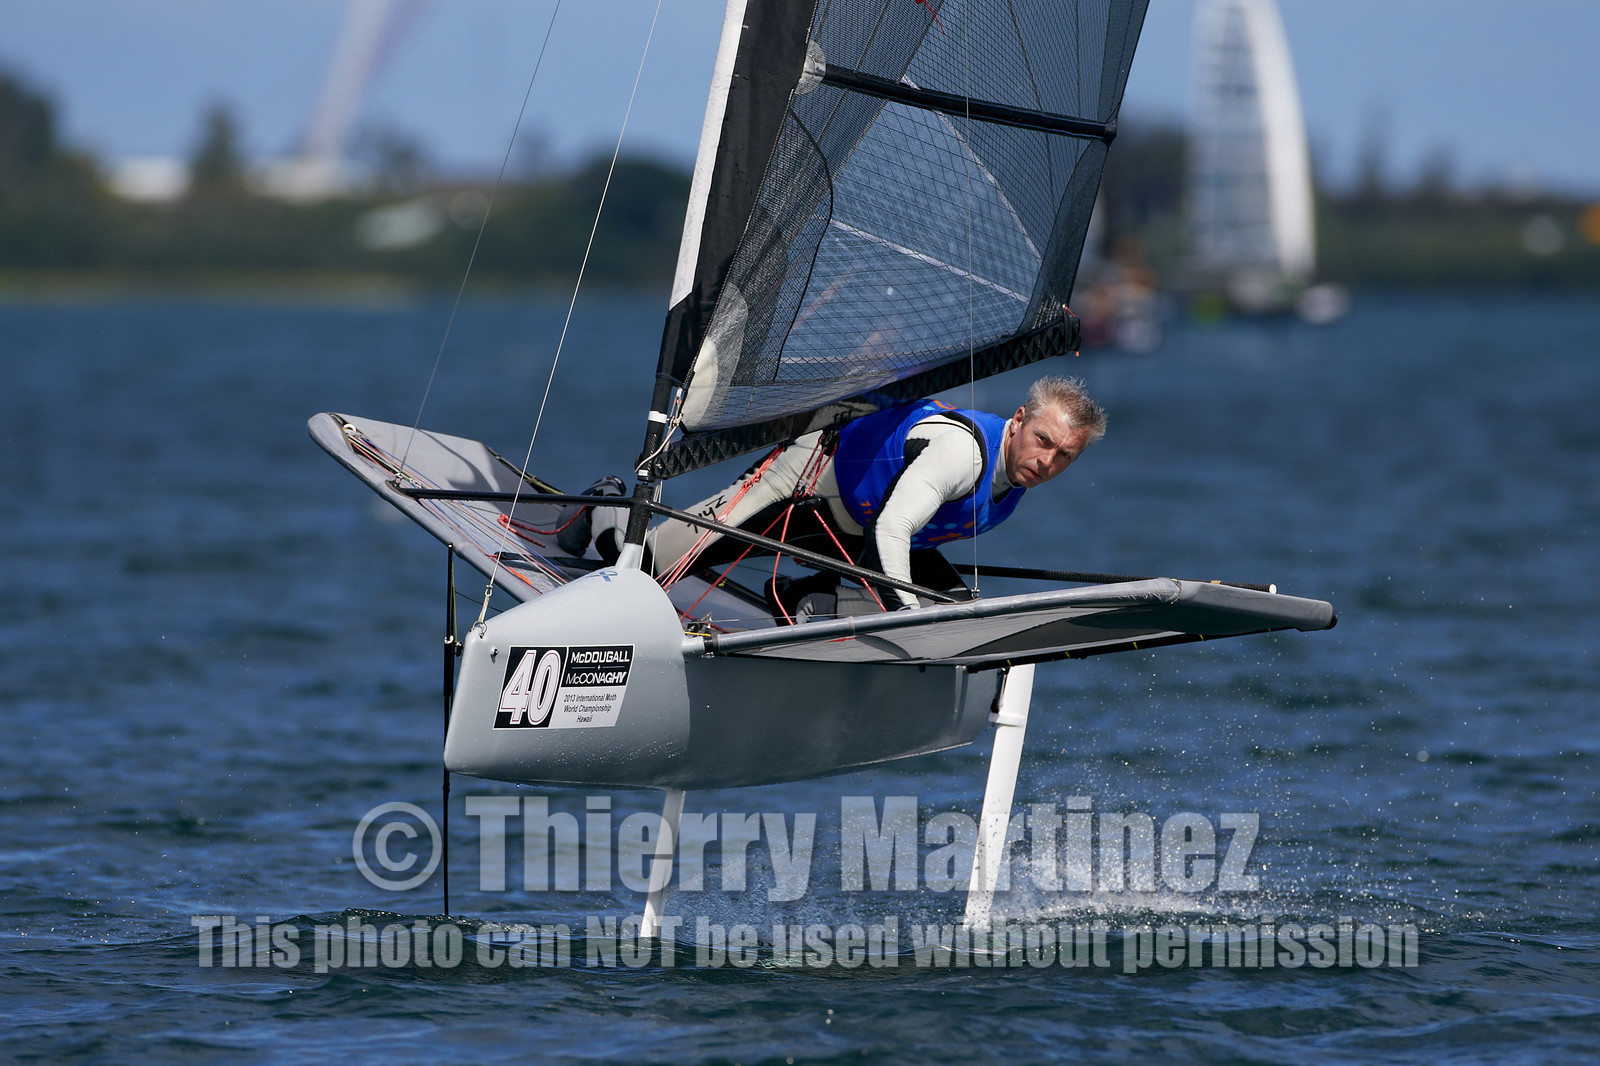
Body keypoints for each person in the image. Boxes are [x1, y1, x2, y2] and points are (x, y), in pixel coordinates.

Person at [640, 375, 1107, 623]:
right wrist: (905, 617)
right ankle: (600, 523)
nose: (1047, 461)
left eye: (1064, 456)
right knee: (649, 564)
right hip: (808, 487)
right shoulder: (961, 454)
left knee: (952, 613)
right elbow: (891, 529)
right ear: (1019, 419)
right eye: (1043, 440)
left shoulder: (1017, 477)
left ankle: (806, 599)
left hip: (856, 528)